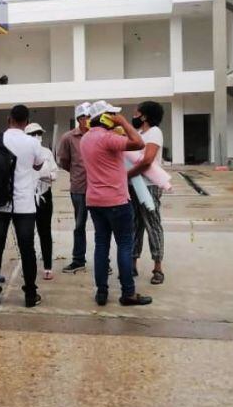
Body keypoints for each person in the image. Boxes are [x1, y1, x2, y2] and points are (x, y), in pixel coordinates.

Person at [80, 102, 151, 307]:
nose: (116, 117)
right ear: (105, 117)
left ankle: (101, 292)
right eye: (112, 115)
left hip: (94, 200)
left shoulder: (86, 139)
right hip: (117, 201)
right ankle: (128, 293)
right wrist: (124, 123)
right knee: (124, 245)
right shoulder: (108, 138)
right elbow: (139, 143)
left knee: (101, 245)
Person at [0, 104, 48, 308]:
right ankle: (29, 295)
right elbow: (38, 165)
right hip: (25, 205)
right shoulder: (32, 143)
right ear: (26, 122)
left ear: (9, 119)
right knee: (27, 250)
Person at [128, 101, 167, 285]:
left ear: (144, 116)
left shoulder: (154, 133)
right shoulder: (139, 134)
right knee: (135, 226)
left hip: (149, 186)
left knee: (152, 224)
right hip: (134, 185)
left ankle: (158, 267)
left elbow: (148, 160)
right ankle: (132, 263)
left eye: (136, 113)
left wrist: (127, 174)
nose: (133, 116)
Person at [57, 102, 92, 274]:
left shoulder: (97, 135)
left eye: (90, 116)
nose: (88, 120)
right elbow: (63, 161)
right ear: (79, 119)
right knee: (79, 225)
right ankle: (78, 260)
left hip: (99, 188)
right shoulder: (68, 138)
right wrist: (77, 171)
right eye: (85, 117)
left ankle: (104, 262)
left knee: (103, 227)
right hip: (79, 189)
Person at [26, 122, 57, 280]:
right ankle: (29, 265)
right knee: (27, 232)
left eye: (39, 133)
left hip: (44, 195)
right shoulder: (22, 153)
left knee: (45, 231)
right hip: (27, 196)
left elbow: (54, 172)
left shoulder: (46, 152)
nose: (37, 137)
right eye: (33, 134)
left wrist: (47, 175)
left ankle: (48, 266)